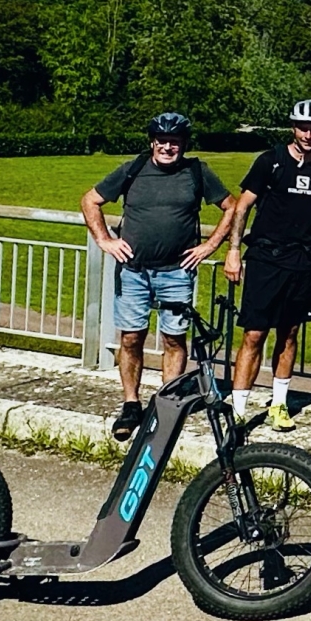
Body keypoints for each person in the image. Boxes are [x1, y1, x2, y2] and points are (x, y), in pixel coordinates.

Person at [81, 113, 238, 441]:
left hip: (177, 272)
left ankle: (166, 404)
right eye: (162, 140)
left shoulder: (196, 172)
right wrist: (104, 240)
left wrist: (209, 246)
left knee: (173, 338)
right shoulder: (133, 170)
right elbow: (90, 200)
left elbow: (231, 206)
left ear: (183, 144)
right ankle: (131, 403)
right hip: (134, 272)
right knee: (131, 338)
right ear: (152, 141)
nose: (168, 147)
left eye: (175, 141)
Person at [224, 98, 311, 432]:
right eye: (304, 128)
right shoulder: (271, 162)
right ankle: (239, 408)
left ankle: (279, 405)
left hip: (303, 263)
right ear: (293, 127)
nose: (309, 134)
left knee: (289, 335)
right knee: (254, 335)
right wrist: (234, 250)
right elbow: (242, 207)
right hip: (266, 259)